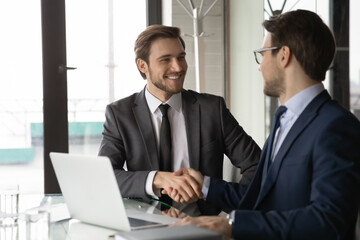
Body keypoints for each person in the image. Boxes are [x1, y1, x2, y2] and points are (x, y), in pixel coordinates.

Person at [170, 9, 360, 239]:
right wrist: (205, 186)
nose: (260, 66)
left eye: (263, 54)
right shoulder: (284, 120)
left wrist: (230, 224)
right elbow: (259, 198)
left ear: (283, 56)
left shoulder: (336, 126)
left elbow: (328, 220)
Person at [98, 25, 260, 215]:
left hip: (201, 224)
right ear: (143, 66)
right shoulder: (120, 114)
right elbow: (105, 176)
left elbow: (258, 166)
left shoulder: (212, 109)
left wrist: (231, 214)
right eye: (165, 59)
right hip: (145, 224)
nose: (178, 67)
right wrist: (158, 179)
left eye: (181, 57)